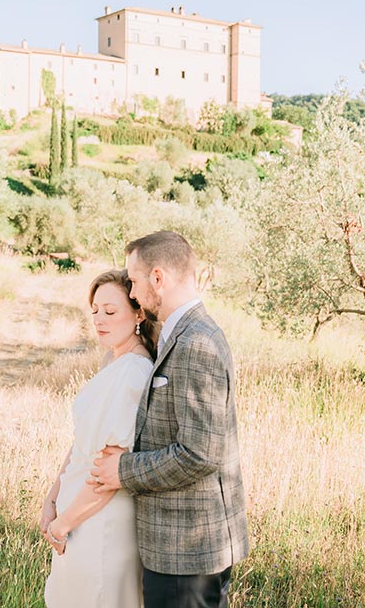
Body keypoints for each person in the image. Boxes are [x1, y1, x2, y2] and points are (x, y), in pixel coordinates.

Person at [89, 230, 249, 608]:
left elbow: (200, 453)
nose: (131, 293)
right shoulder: (179, 335)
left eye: (135, 281)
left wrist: (123, 471)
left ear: (158, 278)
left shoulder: (197, 343)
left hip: (187, 547)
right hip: (174, 543)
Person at [41, 269, 157, 608]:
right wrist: (52, 498)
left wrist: (64, 524)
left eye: (110, 311)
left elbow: (110, 469)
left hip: (99, 519)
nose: (99, 320)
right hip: (75, 510)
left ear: (138, 313)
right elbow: (81, 444)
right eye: (94, 311)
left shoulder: (134, 371)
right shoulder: (113, 361)